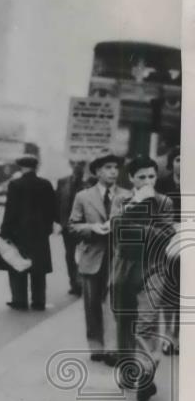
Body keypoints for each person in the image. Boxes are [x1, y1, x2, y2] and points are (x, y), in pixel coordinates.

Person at [110, 156, 175, 401]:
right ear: (131, 179)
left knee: (146, 322)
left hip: (153, 268)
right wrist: (136, 208)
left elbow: (166, 237)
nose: (148, 181)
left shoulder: (164, 202)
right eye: (142, 177)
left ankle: (146, 375)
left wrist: (135, 224)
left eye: (151, 176)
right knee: (124, 321)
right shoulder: (121, 199)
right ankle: (130, 370)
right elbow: (117, 231)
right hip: (125, 267)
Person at [68, 154, 130, 364]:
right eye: (107, 167)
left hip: (119, 256)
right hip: (92, 255)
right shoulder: (83, 196)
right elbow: (73, 226)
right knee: (92, 303)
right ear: (97, 172)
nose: (113, 171)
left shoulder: (128, 195)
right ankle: (97, 347)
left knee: (115, 303)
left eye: (115, 167)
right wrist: (92, 228)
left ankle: (113, 349)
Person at [0, 154, 58, 310]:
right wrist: (47, 228)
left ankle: (19, 300)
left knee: (17, 265)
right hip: (39, 233)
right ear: (36, 167)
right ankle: (38, 301)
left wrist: (4, 232)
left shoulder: (15, 184)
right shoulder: (46, 184)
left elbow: (11, 211)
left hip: (18, 232)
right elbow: (52, 209)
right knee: (38, 269)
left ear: (21, 167)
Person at [154, 146, 181, 354]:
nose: (183, 164)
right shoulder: (162, 184)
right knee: (168, 289)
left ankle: (178, 334)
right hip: (166, 240)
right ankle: (167, 335)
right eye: (179, 159)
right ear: (172, 163)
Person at [56, 160, 89, 295]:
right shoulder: (62, 182)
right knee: (69, 255)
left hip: (84, 226)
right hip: (67, 226)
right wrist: (59, 221)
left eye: (80, 165)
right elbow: (57, 201)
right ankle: (74, 283)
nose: (77, 168)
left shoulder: (89, 184)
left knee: (83, 255)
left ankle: (82, 282)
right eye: (75, 165)